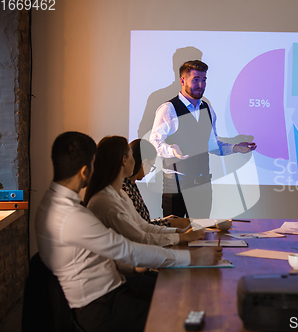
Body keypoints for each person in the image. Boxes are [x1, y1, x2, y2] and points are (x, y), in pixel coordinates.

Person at [36, 131, 222, 332]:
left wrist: (132, 268)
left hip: (108, 294)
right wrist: (192, 258)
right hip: (102, 306)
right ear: (84, 171)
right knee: (181, 311)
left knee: (180, 298)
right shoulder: (71, 216)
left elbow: (100, 255)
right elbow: (128, 249)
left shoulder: (50, 206)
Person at [150, 60, 256, 218]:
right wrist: (172, 150)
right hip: (176, 185)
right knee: (174, 235)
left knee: (202, 235)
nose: (201, 85)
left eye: (204, 80)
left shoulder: (208, 109)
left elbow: (212, 146)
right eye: (195, 80)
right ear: (182, 80)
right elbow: (154, 142)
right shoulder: (168, 109)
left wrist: (235, 148)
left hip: (203, 184)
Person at [84, 136, 204, 246]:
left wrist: (180, 232)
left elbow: (144, 227)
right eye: (132, 156)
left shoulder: (120, 194)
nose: (134, 160)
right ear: (124, 160)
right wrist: (182, 237)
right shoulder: (108, 199)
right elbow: (141, 237)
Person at [122, 139, 191, 228]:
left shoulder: (131, 184)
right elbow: (140, 228)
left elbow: (144, 223)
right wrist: (169, 223)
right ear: (143, 163)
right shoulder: (125, 188)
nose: (150, 171)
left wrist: (166, 221)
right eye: (152, 166)